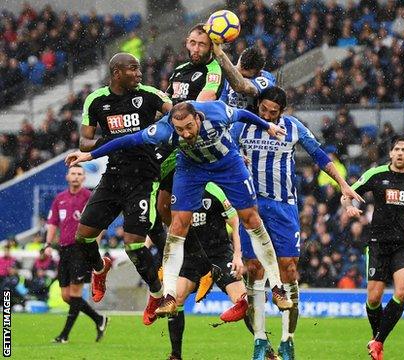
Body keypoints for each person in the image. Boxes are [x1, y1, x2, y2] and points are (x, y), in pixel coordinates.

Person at [65, 100, 293, 318]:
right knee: (177, 226)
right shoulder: (164, 129)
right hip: (191, 169)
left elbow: (242, 114)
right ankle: (169, 296)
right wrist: (89, 155)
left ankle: (277, 287)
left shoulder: (218, 112)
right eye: (179, 129)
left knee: (251, 219)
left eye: (189, 127)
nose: (185, 133)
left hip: (227, 164)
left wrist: (268, 126)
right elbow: (131, 139)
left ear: (198, 118)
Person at [231, 86, 363, 360]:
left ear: (283, 111)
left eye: (273, 112)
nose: (267, 115)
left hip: (283, 207)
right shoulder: (242, 125)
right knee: (254, 270)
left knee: (288, 269)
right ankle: (258, 340)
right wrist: (235, 157)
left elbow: (319, 155)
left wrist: (343, 185)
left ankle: (287, 340)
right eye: (264, 110)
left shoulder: (293, 127)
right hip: (251, 205)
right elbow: (224, 147)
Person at [74, 52, 172, 326]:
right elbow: (84, 140)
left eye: (139, 69)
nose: (139, 74)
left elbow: (176, 113)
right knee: (82, 236)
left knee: (134, 244)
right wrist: (110, 140)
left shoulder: (149, 94)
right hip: (114, 177)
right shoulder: (96, 101)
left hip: (144, 178)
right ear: (117, 73)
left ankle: (156, 294)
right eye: (134, 69)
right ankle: (99, 267)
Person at [341, 137, 404, 360]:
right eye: (396, 149)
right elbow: (347, 194)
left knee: (402, 291)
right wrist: (349, 208)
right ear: (391, 153)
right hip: (378, 244)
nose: (400, 153)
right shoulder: (376, 174)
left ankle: (378, 342)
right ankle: (377, 339)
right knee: (374, 299)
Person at [153, 23, 226, 303]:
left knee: (214, 211)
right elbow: (169, 103)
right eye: (193, 43)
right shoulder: (179, 71)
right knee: (162, 208)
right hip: (174, 143)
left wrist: (179, 116)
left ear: (211, 47)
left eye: (202, 44)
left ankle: (213, 260)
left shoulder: (214, 71)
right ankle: (196, 258)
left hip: (200, 147)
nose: (196, 48)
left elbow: (202, 102)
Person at [167, 182, 248, 360]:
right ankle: (175, 355)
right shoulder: (180, 189)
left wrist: (237, 255)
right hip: (193, 256)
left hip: (219, 254)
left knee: (243, 302)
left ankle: (266, 349)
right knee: (175, 299)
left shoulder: (213, 190)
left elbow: (235, 222)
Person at [45, 165, 108, 343]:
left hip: (81, 249)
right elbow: (52, 222)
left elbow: (100, 222)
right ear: (67, 176)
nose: (76, 176)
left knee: (75, 293)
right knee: (67, 296)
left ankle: (64, 335)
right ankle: (99, 319)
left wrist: (94, 245)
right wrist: (48, 243)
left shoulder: (90, 197)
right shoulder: (60, 198)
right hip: (64, 249)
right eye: (73, 173)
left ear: (84, 178)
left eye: (79, 174)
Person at [212, 43, 275, 113]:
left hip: (251, 121)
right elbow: (221, 103)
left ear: (258, 72)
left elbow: (241, 86)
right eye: (237, 72)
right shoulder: (227, 73)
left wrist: (219, 53)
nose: (236, 76)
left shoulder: (266, 79)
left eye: (245, 76)